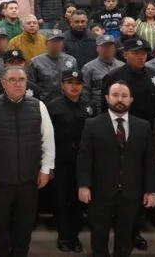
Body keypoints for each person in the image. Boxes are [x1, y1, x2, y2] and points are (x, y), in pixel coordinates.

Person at [0, 66, 55, 257]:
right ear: (3, 83)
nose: (17, 83)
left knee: (25, 223)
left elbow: (48, 140)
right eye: (12, 80)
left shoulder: (39, 106)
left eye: (21, 79)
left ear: (27, 83)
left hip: (29, 179)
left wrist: (46, 169)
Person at [77, 81, 155, 257]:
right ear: (107, 98)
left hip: (131, 193)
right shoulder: (92, 124)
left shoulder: (143, 126)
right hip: (100, 192)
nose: (119, 99)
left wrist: (151, 190)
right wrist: (83, 185)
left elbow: (150, 161)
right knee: (99, 237)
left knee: (125, 239)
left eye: (124, 95)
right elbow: (85, 158)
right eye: (115, 95)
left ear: (131, 99)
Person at [45, 70, 96, 252]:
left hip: (82, 160)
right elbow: (46, 137)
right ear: (62, 85)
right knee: (61, 200)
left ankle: (74, 237)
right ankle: (63, 236)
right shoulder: (53, 106)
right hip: (61, 159)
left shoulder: (89, 106)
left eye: (78, 83)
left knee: (78, 200)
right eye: (70, 83)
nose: (74, 87)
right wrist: (48, 165)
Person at [28, 30, 78, 100]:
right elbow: (32, 86)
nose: (56, 44)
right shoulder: (36, 62)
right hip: (45, 100)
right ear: (46, 43)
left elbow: (76, 83)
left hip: (67, 100)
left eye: (59, 41)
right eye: (53, 41)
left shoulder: (71, 60)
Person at [81, 35, 124, 107]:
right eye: (104, 46)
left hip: (119, 105)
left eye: (110, 46)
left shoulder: (122, 66)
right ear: (97, 48)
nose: (108, 49)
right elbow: (85, 92)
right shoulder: (88, 68)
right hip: (98, 107)